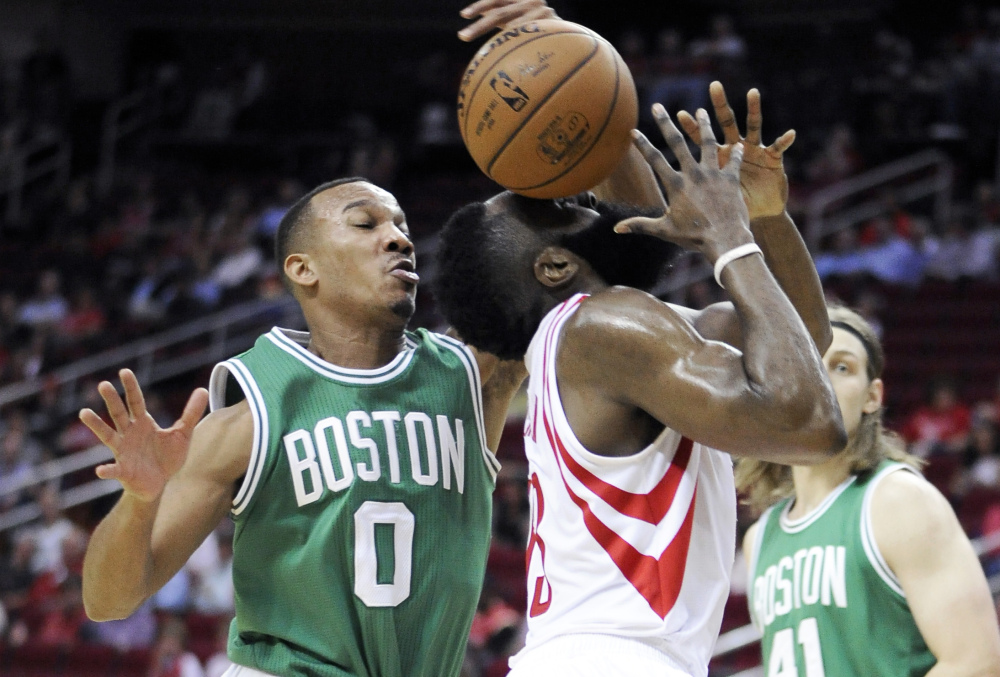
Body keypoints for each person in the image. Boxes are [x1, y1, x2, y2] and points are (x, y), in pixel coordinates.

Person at [435, 19, 846, 673]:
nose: (581, 196)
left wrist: (763, 217)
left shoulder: (607, 338)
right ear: (552, 266)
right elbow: (811, 423)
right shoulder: (603, 329)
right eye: (558, 208)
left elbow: (802, 336)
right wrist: (727, 233)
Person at [79, 176, 528, 677]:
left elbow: (536, 248)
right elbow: (108, 601)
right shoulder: (246, 420)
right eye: (365, 223)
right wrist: (139, 501)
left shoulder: (468, 375)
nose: (399, 239)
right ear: (303, 268)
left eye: (402, 226)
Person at [740, 306, 1000, 676]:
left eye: (841, 367)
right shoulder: (759, 539)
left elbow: (977, 662)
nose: (820, 379)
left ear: (872, 396)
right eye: (804, 362)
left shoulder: (898, 501)